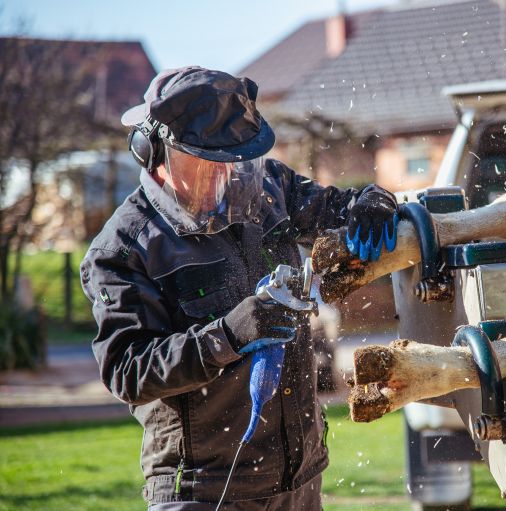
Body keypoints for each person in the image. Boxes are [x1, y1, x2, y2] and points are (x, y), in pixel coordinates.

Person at [80, 66, 399, 510]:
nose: (224, 178)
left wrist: (371, 201)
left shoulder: (270, 189)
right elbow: (127, 371)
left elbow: (338, 209)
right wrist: (228, 335)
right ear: (153, 151)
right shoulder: (124, 249)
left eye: (234, 163)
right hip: (204, 490)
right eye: (207, 164)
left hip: (299, 476)